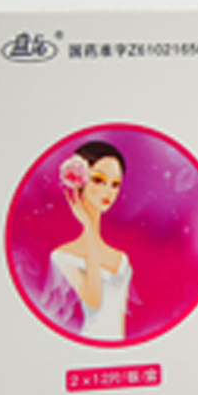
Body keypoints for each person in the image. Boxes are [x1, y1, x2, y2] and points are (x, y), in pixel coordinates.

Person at [41, 141, 134, 341]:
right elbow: (93, 299)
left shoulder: (121, 258)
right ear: (80, 183)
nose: (108, 191)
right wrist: (89, 229)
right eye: (99, 180)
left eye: (115, 184)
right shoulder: (63, 256)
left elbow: (120, 321)